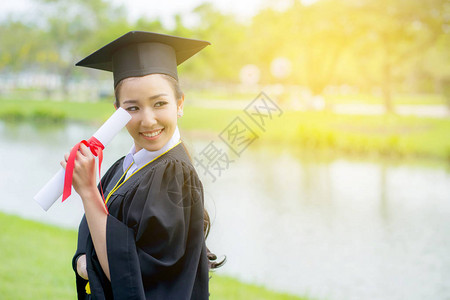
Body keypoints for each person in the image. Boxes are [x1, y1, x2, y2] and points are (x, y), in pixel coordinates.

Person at [60, 31, 223, 300]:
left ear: (179, 104)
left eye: (160, 103)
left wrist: (88, 191)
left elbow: (135, 276)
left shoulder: (173, 175)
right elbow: (90, 228)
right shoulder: (125, 166)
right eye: (132, 108)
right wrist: (83, 260)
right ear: (117, 111)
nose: (148, 121)